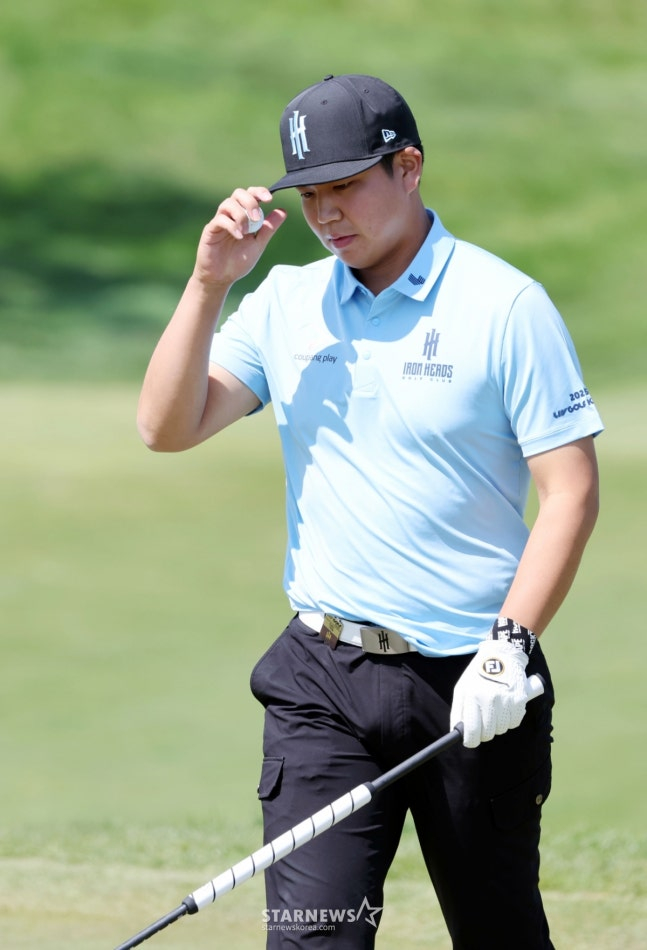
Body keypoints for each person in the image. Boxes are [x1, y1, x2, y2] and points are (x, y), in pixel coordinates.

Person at [137, 74, 603, 949]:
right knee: (314, 938)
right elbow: (167, 427)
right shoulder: (286, 303)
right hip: (322, 682)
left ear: (409, 167)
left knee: (497, 931)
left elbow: (570, 491)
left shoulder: (505, 306)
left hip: (473, 679)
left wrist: (508, 648)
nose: (325, 214)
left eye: (346, 186)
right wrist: (207, 285)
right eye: (309, 195)